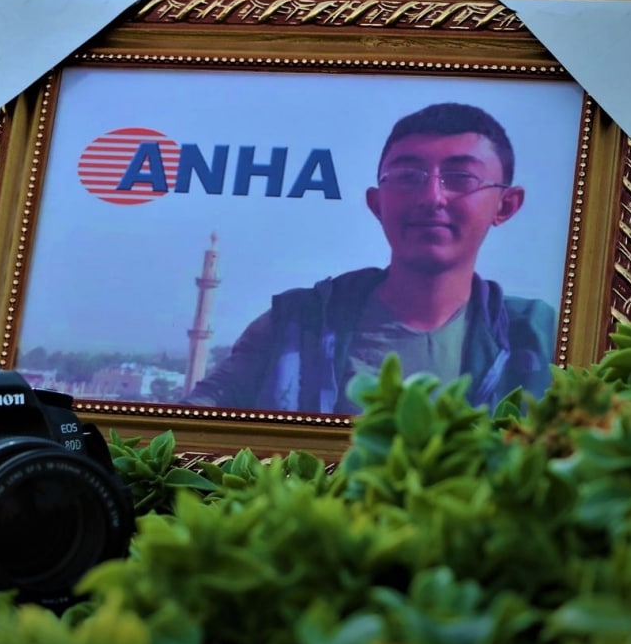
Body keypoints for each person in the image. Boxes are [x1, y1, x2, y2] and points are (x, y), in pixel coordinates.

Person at [183, 102, 557, 414]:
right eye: (408, 176)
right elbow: (193, 425)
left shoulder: (538, 338)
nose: (432, 197)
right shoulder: (296, 326)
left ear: (505, 205)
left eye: (461, 177)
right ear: (377, 204)